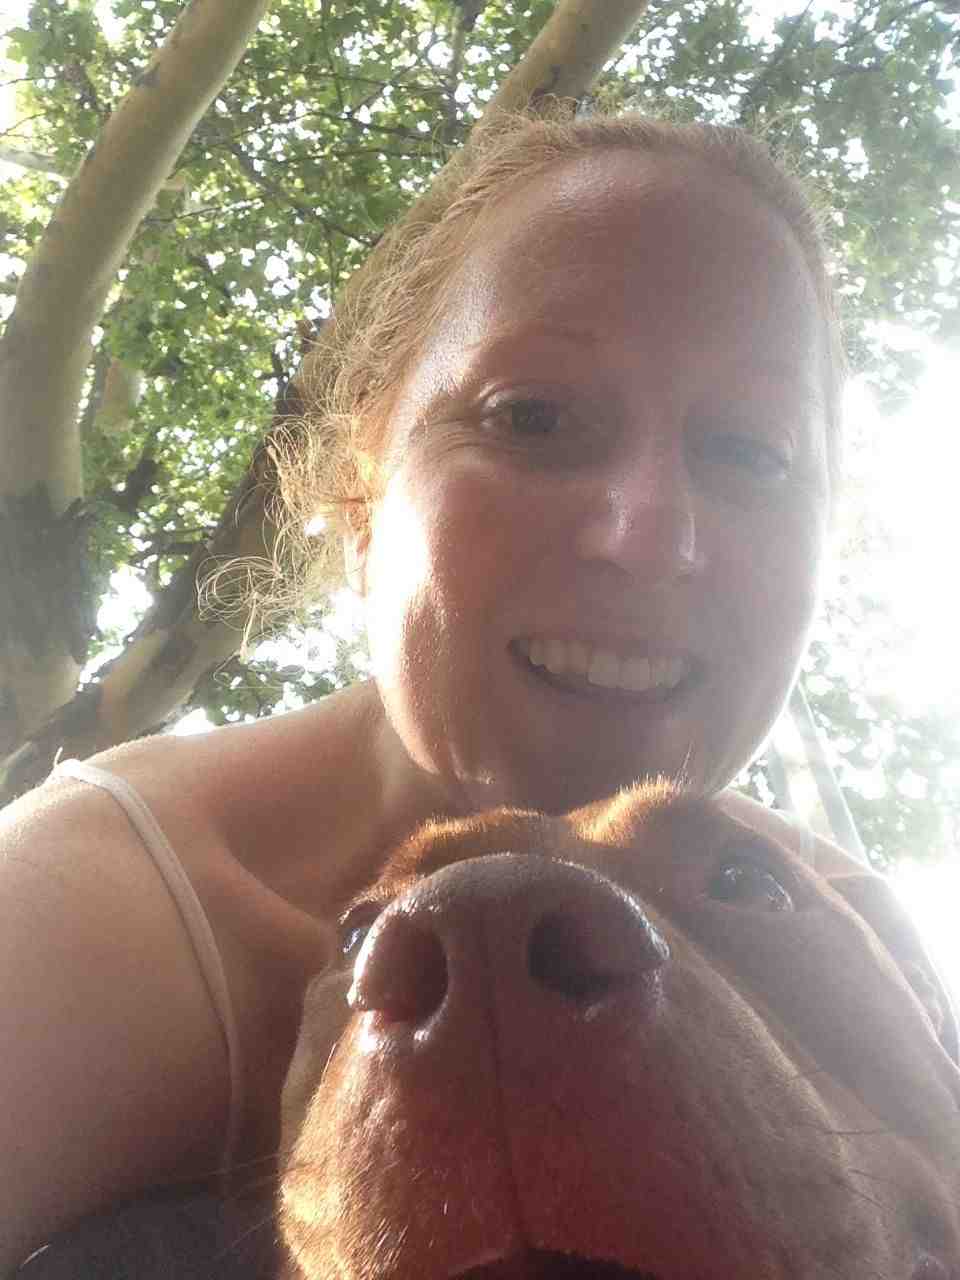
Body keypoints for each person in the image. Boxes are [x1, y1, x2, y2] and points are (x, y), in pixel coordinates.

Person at [0, 107, 858, 1275]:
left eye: (752, 450)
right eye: (532, 417)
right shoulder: (90, 916)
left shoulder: (842, 926)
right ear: (363, 491)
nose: (652, 535)